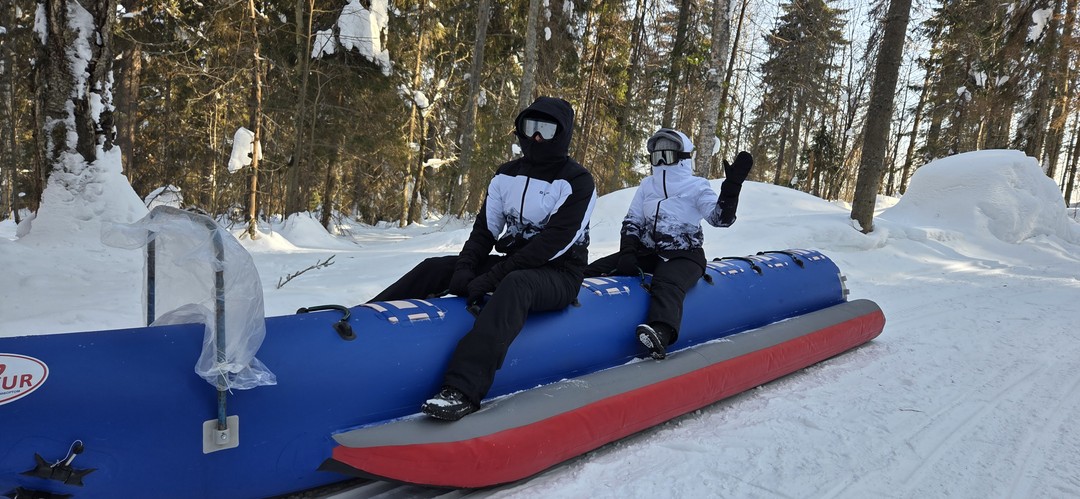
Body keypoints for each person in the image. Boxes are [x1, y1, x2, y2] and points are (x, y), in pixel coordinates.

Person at [369, 96, 597, 421]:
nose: (535, 137)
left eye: (545, 130)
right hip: (515, 266)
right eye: (530, 127)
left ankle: (462, 389)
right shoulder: (506, 175)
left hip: (559, 274)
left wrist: (491, 278)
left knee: (517, 284)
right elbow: (484, 232)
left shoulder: (576, 181)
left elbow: (553, 245)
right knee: (437, 268)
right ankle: (354, 323)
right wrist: (465, 268)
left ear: (561, 134)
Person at [584, 128, 753, 360]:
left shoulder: (697, 187)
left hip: (685, 255)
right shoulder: (647, 186)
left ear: (683, 158)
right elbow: (632, 220)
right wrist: (628, 253)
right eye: (657, 155)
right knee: (596, 268)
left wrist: (731, 190)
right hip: (649, 250)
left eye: (668, 155)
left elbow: (720, 220)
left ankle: (662, 332)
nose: (662, 161)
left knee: (667, 281)